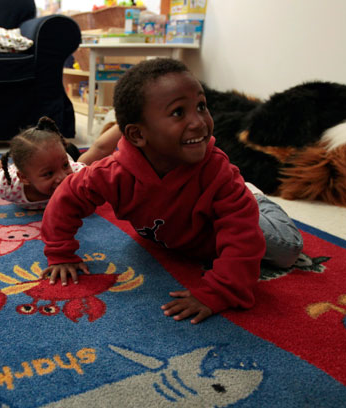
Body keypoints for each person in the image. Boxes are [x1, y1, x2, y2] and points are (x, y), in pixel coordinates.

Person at [40, 58, 303, 325]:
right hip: (184, 232)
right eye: (179, 112)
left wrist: (220, 291)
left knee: (286, 251)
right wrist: (60, 253)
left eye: (201, 106)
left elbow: (242, 237)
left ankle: (257, 198)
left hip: (237, 209)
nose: (199, 122)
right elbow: (67, 197)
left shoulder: (217, 172)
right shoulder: (112, 172)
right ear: (137, 135)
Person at [0, 113, 122, 210]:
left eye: (63, 167)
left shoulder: (76, 174)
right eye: (48, 174)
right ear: (24, 178)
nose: (62, 178)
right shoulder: (8, 185)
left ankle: (66, 152)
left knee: (76, 156)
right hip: (41, 159)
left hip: (69, 153)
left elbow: (100, 149)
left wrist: (127, 117)